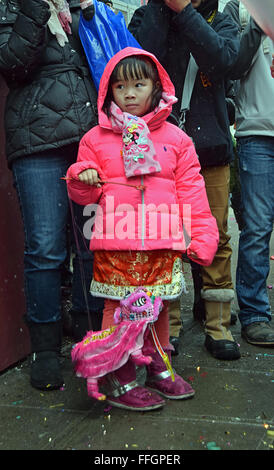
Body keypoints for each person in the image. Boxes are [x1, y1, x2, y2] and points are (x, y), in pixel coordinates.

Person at [66, 46, 219, 411]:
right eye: (120, 87)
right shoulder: (94, 139)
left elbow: (192, 190)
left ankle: (157, 366)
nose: (130, 94)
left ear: (156, 86)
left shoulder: (178, 140)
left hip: (162, 241)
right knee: (116, 308)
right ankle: (115, 371)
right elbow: (85, 195)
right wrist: (80, 175)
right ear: (109, 92)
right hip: (115, 242)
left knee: (160, 305)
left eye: (138, 84)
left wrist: (201, 234)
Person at [0, 0, 105, 391]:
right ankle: (45, 350)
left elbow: (110, 64)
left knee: (93, 243)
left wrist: (92, 16)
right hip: (35, 140)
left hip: (90, 140)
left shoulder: (80, 6)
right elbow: (13, 62)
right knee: (44, 248)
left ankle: (88, 333)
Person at [128, 0, 241, 360]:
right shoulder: (146, 17)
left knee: (217, 238)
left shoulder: (220, 21)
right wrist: (164, 10)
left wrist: (186, 12)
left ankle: (218, 326)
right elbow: (140, 62)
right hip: (161, 153)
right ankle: (168, 328)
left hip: (210, 151)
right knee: (166, 243)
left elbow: (222, 62)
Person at [223, 1, 274, 346]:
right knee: (257, 227)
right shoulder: (240, 10)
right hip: (258, 132)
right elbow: (232, 66)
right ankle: (255, 313)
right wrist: (260, 20)